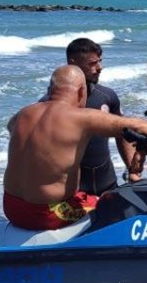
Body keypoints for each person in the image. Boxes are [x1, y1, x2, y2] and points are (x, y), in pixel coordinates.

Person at [4, 66, 147, 230]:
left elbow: (11, 128)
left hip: (11, 207)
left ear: (51, 88)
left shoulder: (23, 114)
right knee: (121, 206)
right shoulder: (80, 117)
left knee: (93, 197)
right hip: (46, 213)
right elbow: (136, 125)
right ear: (82, 91)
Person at [55, 38, 137, 193]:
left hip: (107, 184)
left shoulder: (107, 96)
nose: (100, 68)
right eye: (92, 63)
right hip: (72, 192)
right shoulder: (53, 103)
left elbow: (123, 134)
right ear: (73, 64)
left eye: (100, 61)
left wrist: (132, 170)